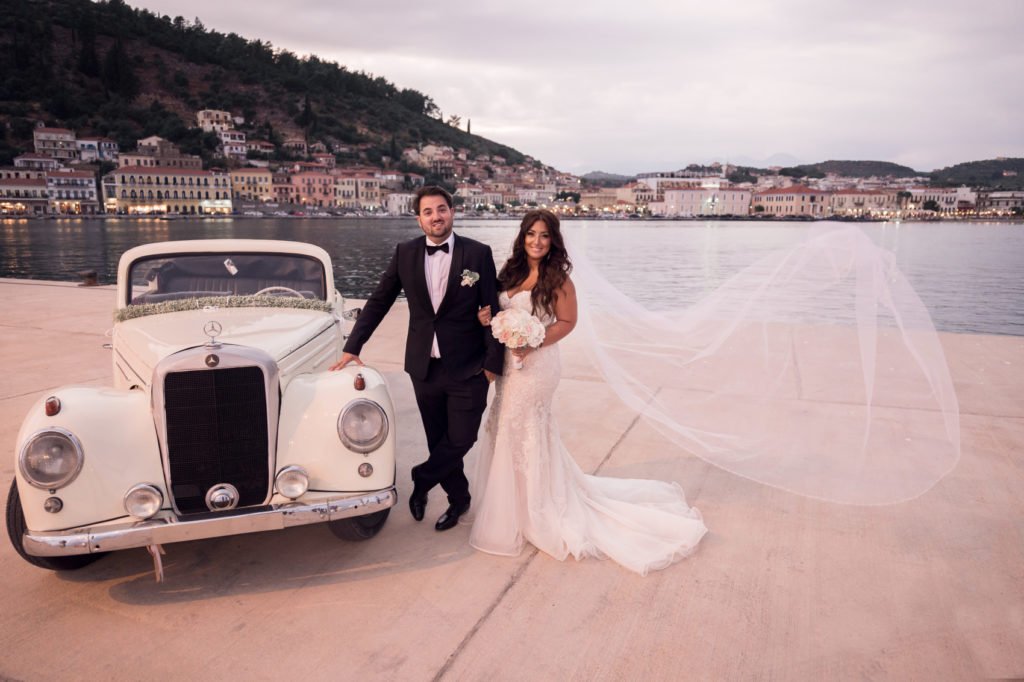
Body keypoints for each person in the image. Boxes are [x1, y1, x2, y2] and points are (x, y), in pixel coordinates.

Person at [471, 209, 708, 575]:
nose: (537, 241)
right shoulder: (510, 272)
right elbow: (497, 313)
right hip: (509, 367)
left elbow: (568, 322)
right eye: (531, 234)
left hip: (538, 366)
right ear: (522, 236)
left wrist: (533, 341)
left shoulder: (559, 280)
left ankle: (537, 510)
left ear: (554, 240)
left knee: (527, 431)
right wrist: (490, 322)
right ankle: (511, 507)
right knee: (504, 426)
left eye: (544, 235)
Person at [331, 186, 504, 531]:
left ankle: (421, 479)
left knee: (462, 438)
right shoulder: (406, 253)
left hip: (469, 367)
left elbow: (492, 309)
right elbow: (380, 300)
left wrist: (491, 366)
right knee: (438, 438)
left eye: (442, 209)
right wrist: (354, 345)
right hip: (424, 368)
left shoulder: (478, 253)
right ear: (419, 218)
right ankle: (459, 500)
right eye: (428, 211)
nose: (436, 216)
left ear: (452, 212)